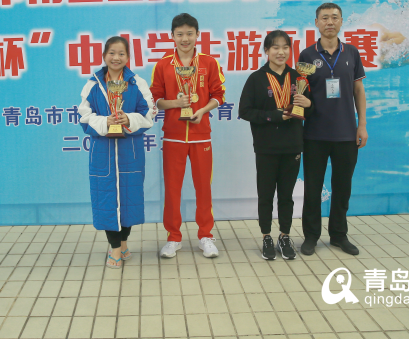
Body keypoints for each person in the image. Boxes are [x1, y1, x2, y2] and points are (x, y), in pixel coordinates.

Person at [150, 13, 226, 258]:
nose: (185, 39)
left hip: (201, 135)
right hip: (173, 136)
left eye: (189, 34)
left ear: (197, 35)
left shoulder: (209, 63)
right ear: (172, 36)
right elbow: (156, 100)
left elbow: (219, 95)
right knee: (172, 189)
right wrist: (176, 103)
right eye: (180, 34)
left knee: (203, 188)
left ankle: (206, 235)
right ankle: (173, 237)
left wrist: (202, 111)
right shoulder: (162, 65)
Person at [78, 36, 156, 268]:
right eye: (112, 53)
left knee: (129, 199)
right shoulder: (92, 84)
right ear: (104, 56)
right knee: (106, 199)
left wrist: (127, 118)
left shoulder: (137, 83)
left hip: (129, 152)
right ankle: (114, 248)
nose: (116, 57)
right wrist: (106, 121)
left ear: (128, 57)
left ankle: (123, 243)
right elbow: (84, 116)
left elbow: (149, 113)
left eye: (121, 53)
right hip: (103, 153)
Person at [299, 3, 367, 256]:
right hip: (314, 134)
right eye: (325, 18)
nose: (330, 22)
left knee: (342, 187)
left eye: (334, 18)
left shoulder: (352, 52)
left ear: (341, 21)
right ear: (316, 22)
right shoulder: (307, 55)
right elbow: (301, 91)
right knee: (313, 188)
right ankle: (311, 236)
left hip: (346, 134)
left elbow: (358, 90)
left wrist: (362, 125)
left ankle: (339, 235)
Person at [239, 30, 313, 260]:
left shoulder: (299, 78)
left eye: (285, 47)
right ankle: (266, 236)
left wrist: (309, 104)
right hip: (266, 147)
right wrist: (273, 115)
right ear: (266, 50)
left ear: (290, 50)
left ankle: (284, 235)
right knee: (265, 194)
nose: (281, 52)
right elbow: (245, 111)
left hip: (293, 146)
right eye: (275, 47)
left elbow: (310, 110)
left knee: (286, 196)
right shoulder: (256, 78)